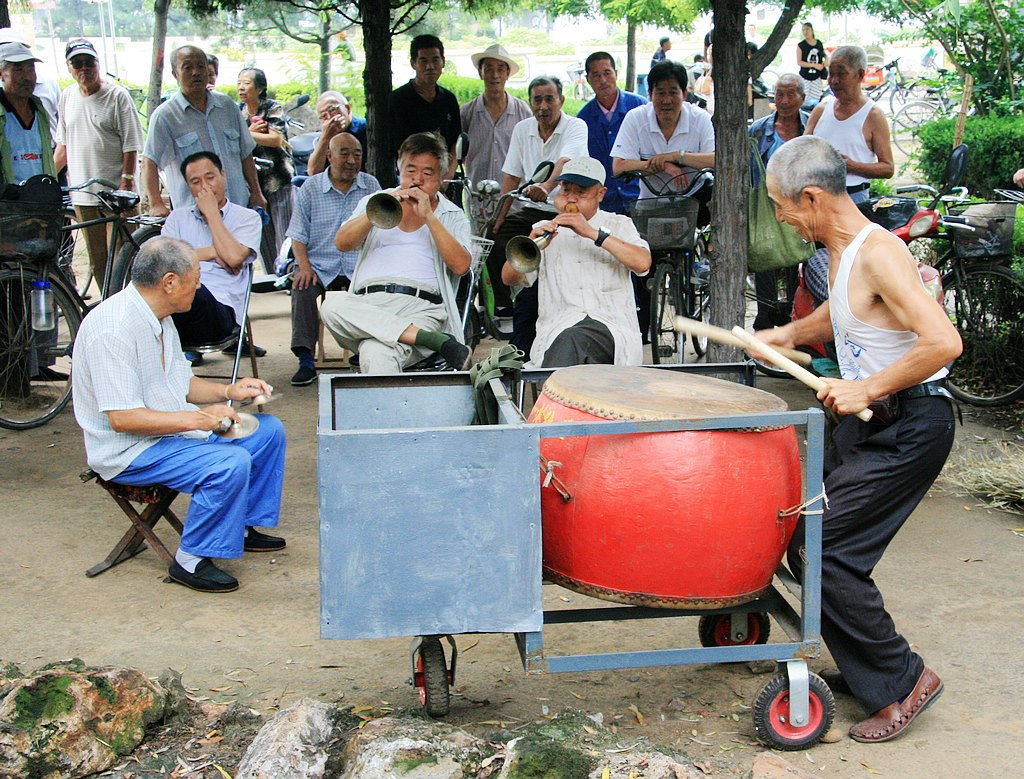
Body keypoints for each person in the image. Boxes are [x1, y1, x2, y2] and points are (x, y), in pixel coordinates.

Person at [755, 135, 960, 743]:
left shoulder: (879, 253)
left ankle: (902, 680)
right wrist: (784, 333)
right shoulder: (840, 253)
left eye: (782, 205)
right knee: (805, 533)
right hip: (876, 423)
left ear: (812, 197)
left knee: (827, 548)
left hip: (913, 424)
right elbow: (839, 317)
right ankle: (865, 661)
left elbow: (943, 343)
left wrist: (865, 390)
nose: (782, 217)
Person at [72, 236, 286, 594]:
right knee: (229, 463)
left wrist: (229, 392)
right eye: (196, 276)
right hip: (128, 451)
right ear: (169, 282)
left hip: (166, 435)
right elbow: (123, 420)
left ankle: (241, 525)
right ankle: (189, 560)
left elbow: (180, 384)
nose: (199, 284)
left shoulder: (159, 316)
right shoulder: (112, 328)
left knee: (266, 432)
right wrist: (200, 420)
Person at [320, 132, 473, 373]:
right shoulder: (375, 201)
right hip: (367, 304)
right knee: (331, 306)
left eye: (428, 173)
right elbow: (342, 243)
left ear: (441, 178)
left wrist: (429, 217)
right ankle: (434, 341)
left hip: (421, 308)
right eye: (410, 171)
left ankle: (425, 337)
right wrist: (378, 209)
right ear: (399, 170)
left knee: (375, 351)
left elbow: (462, 266)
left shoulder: (451, 215)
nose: (418, 180)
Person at [500, 157, 650, 368]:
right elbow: (509, 278)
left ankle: (552, 398)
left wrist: (591, 233)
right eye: (565, 190)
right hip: (557, 329)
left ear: (601, 194)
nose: (571, 199)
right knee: (569, 340)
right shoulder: (545, 228)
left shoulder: (619, 224)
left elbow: (643, 263)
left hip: (611, 328)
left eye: (581, 192)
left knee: (573, 340)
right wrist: (533, 242)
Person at [491, 75, 588, 353]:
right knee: (497, 236)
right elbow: (511, 174)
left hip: (567, 208)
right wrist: (499, 216)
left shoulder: (576, 126)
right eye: (537, 99)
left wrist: (546, 187)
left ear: (561, 100)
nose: (543, 106)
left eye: (549, 99)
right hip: (532, 210)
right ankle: (504, 304)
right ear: (530, 102)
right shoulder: (523, 129)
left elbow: (565, 161)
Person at [287, 132, 381, 386]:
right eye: (345, 153)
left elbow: (383, 229)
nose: (352, 160)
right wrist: (304, 266)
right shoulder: (311, 187)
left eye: (357, 154)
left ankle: (366, 353)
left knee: (378, 292)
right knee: (302, 286)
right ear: (329, 155)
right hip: (320, 264)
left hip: (359, 264)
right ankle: (305, 359)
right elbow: (297, 234)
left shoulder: (371, 185)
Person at [54, 38, 144, 287]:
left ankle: (132, 306)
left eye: (88, 62)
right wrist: (48, 176)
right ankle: (108, 310)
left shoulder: (117, 96)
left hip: (115, 193)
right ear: (69, 68)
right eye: (77, 64)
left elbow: (131, 144)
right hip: (83, 195)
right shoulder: (67, 96)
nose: (84, 69)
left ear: (98, 63)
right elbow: (63, 144)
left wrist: (126, 183)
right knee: (98, 262)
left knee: (124, 256)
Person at [161, 151, 263, 360]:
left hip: (219, 313)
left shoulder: (247, 218)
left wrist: (212, 214)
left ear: (223, 175)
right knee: (131, 297)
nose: (205, 187)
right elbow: (163, 261)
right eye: (196, 182)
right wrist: (213, 252)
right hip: (174, 310)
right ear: (188, 187)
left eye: (210, 178)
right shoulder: (177, 218)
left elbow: (234, 258)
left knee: (190, 288)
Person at [142, 45, 267, 217]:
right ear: (175, 73)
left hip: (238, 209)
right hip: (195, 216)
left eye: (201, 66)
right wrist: (156, 203)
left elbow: (246, 153)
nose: (196, 72)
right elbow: (149, 162)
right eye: (187, 67)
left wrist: (256, 192)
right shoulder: (165, 116)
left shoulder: (227, 106)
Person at [748, 74, 808, 330]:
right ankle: (765, 320)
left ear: (801, 98)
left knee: (797, 261)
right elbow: (750, 171)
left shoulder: (810, 127)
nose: (783, 101)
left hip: (802, 206)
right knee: (765, 260)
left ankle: (793, 322)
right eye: (779, 95)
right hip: (767, 206)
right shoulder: (759, 130)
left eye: (790, 95)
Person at [611, 61, 715, 198]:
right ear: (650, 95)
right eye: (660, 93)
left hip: (695, 200)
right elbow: (619, 167)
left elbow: (715, 160)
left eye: (673, 92)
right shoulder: (636, 118)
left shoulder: (700, 118)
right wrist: (663, 165)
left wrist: (678, 156)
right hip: (650, 202)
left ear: (684, 94)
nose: (667, 100)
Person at [806, 45, 894, 205]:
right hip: (818, 198)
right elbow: (802, 150)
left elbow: (888, 168)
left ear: (860, 74)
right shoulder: (821, 108)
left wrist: (851, 166)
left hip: (855, 200)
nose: (834, 80)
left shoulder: (873, 115)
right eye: (831, 73)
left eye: (841, 73)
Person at [459, 43, 530, 223]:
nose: (495, 75)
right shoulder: (467, 112)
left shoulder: (523, 112)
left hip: (514, 202)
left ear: (508, 73)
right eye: (488, 68)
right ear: (480, 72)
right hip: (478, 199)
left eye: (500, 69)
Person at [237, 67, 294, 270]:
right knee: (263, 234)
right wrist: (248, 132)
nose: (241, 88)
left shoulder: (272, 108)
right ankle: (272, 276)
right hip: (254, 185)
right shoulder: (237, 112)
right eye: (239, 83)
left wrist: (245, 134)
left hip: (278, 180)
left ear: (260, 88)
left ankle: (288, 274)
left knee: (284, 233)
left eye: (247, 83)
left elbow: (276, 139)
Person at [577, 52, 646, 216]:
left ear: (616, 73)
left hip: (641, 197)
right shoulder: (582, 120)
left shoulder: (640, 108)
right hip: (605, 203)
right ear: (588, 80)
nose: (603, 80)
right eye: (596, 75)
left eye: (607, 73)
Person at [387, 35, 461, 178]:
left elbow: (456, 142)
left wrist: (448, 174)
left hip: (445, 177)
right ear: (413, 63)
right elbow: (398, 147)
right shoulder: (398, 99)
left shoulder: (448, 99)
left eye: (435, 60)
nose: (430, 66)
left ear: (443, 62)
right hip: (412, 177)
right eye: (423, 61)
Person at [0, 40, 56, 184]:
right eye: (18, 70)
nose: (27, 77)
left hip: (41, 197)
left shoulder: (38, 109)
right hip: (8, 201)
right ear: (2, 74)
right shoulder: (3, 113)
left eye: (31, 69)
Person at [306, 91, 368, 175]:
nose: (329, 117)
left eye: (332, 110)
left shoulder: (366, 128)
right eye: (323, 116)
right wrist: (325, 138)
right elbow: (313, 172)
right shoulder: (326, 137)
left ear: (347, 108)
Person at [797, 23, 828, 104]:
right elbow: (799, 62)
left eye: (807, 29)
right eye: (803, 30)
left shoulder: (818, 43)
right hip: (805, 76)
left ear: (812, 30)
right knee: (804, 99)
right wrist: (814, 65)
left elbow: (824, 54)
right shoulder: (801, 45)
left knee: (816, 99)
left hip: (817, 76)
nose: (805, 32)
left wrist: (826, 60)